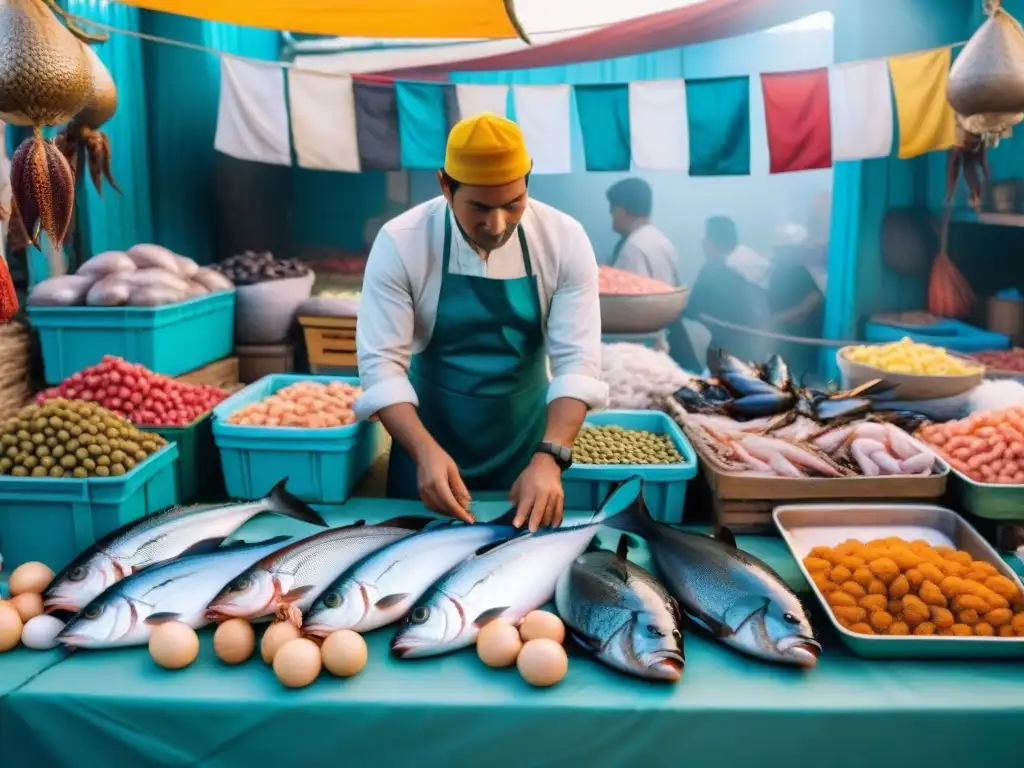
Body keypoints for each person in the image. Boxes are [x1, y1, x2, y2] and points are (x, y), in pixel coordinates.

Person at [355, 113, 608, 532]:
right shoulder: (402, 241)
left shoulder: (564, 239)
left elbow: (577, 362)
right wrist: (424, 452)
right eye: (479, 208)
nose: (496, 226)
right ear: (444, 186)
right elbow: (381, 367)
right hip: (426, 444)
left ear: (528, 181)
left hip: (526, 447)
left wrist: (550, 457)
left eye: (513, 205)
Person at [684, 216, 770, 366]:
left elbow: (692, 308)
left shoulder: (713, 269)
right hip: (755, 344)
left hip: (727, 348)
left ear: (709, 242)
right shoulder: (749, 261)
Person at [605, 178, 681, 287]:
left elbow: (629, 299)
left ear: (620, 211)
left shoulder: (633, 248)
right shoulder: (663, 241)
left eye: (612, 212)